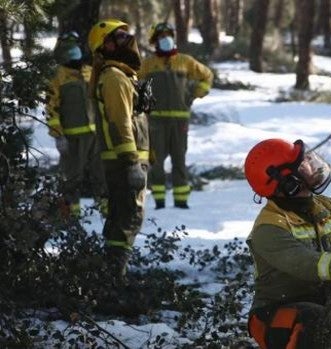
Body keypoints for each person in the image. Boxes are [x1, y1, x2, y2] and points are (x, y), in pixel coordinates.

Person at [244, 138, 331, 349]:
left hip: (321, 303)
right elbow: (310, 265)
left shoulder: (326, 207)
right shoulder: (269, 228)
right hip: (274, 314)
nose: (311, 165)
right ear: (288, 184)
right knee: (312, 318)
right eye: (302, 165)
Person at [87, 19, 150, 281]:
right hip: (123, 162)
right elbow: (121, 122)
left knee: (120, 217)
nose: (127, 40)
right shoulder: (114, 78)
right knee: (127, 219)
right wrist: (131, 162)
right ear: (106, 46)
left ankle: (110, 274)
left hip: (126, 160)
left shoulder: (121, 75)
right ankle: (115, 278)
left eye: (126, 34)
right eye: (119, 36)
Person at [139, 22, 214, 209]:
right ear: (155, 41)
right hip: (156, 121)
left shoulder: (185, 61)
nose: (165, 39)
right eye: (161, 36)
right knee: (156, 163)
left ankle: (181, 201)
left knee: (179, 160)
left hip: (180, 120)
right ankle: (159, 201)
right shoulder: (147, 64)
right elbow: (134, 84)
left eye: (168, 34)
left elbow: (207, 76)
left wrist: (194, 94)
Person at [46, 31, 107, 218]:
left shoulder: (90, 72)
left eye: (75, 46)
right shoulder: (57, 76)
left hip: (95, 134)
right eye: (67, 47)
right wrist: (58, 135)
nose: (72, 50)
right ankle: (71, 214)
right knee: (72, 177)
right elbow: (51, 107)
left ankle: (106, 208)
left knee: (101, 173)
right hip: (72, 137)